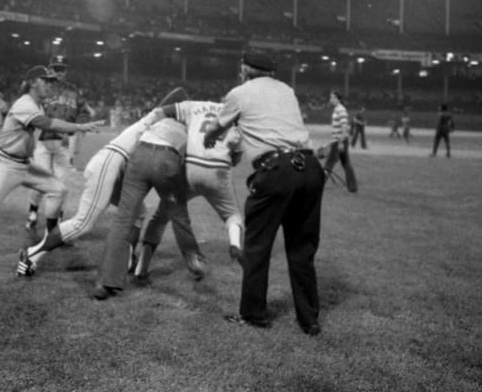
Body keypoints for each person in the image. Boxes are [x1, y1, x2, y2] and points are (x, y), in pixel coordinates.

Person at [202, 50, 325, 335]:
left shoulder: (239, 93)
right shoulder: (287, 90)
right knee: (301, 249)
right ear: (270, 72)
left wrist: (209, 136)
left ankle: (255, 314)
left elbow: (218, 127)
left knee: (257, 246)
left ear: (245, 69)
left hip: (276, 170)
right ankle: (310, 319)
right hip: (309, 167)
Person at [16, 88, 187, 277]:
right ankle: (31, 254)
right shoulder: (158, 119)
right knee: (83, 223)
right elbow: (177, 96)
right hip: (109, 163)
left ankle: (126, 260)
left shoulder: (160, 121)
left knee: (139, 212)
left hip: (115, 166)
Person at [0, 66, 102, 267]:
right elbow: (46, 123)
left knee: (58, 190)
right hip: (6, 164)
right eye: (45, 81)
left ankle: (50, 237)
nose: (49, 85)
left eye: (51, 82)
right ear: (33, 82)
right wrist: (78, 127)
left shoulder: (38, 103)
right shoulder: (25, 103)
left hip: (24, 164)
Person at [132, 99, 245, 284]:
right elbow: (237, 154)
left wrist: (144, 124)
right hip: (218, 170)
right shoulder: (231, 113)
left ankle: (141, 268)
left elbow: (163, 110)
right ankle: (235, 244)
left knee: (163, 215)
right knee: (232, 214)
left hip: (190, 168)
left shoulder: (193, 106)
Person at [92, 110, 198, 300]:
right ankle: (195, 260)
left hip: (139, 156)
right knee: (179, 215)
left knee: (123, 220)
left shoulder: (158, 122)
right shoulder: (189, 126)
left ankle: (105, 283)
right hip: (167, 159)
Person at [26, 55, 96, 234]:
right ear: (49, 69)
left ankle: (55, 221)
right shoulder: (42, 90)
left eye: (61, 69)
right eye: (55, 68)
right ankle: (33, 211)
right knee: (42, 181)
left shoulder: (73, 91)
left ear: (66, 71)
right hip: (42, 142)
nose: (58, 72)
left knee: (61, 185)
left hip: (63, 145)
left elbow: (83, 112)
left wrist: (76, 128)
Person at [322, 91, 357, 193]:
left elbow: (344, 127)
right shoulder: (337, 109)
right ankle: (352, 187)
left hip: (339, 142)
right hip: (338, 141)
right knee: (346, 164)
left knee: (329, 164)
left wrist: (340, 142)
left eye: (332, 97)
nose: (330, 99)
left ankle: (319, 185)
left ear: (338, 99)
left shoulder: (340, 110)